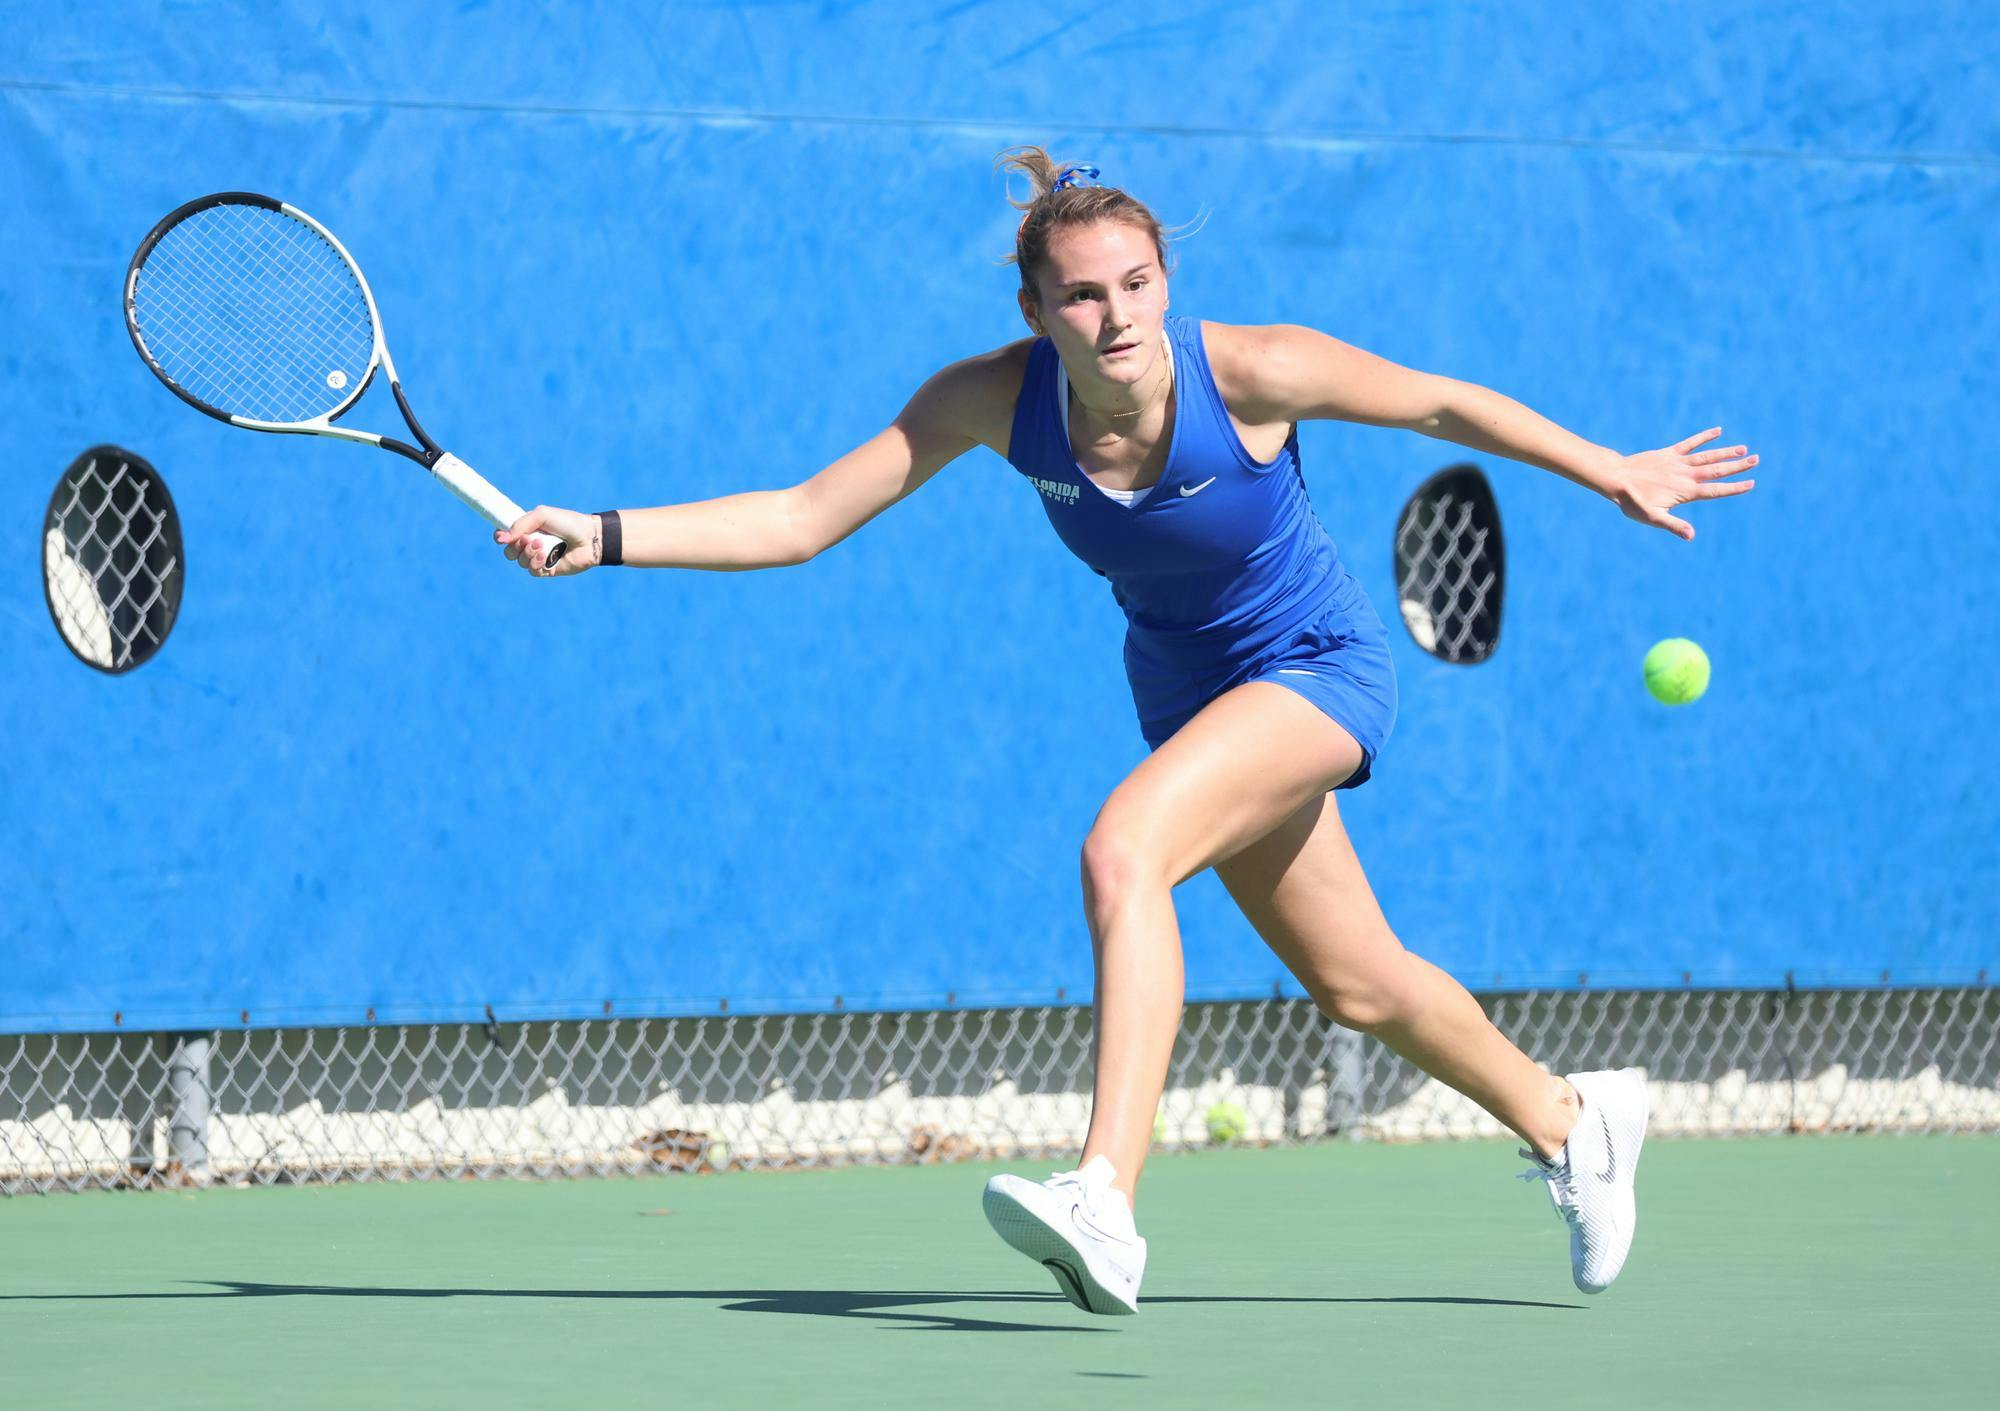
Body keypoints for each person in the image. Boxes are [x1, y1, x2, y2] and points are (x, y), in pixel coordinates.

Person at [497, 147, 1758, 1315]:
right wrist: (603, 534)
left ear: (1166, 281)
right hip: (1184, 692)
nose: (1118, 316)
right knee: (1356, 982)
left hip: (1312, 668)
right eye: (1083, 296)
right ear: (1038, 314)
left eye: (1137, 283)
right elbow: (799, 517)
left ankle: (1103, 1198)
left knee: (1123, 850)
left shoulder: (1250, 370)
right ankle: (1570, 1120)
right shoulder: (993, 402)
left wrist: (1608, 466)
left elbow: (1435, 405)